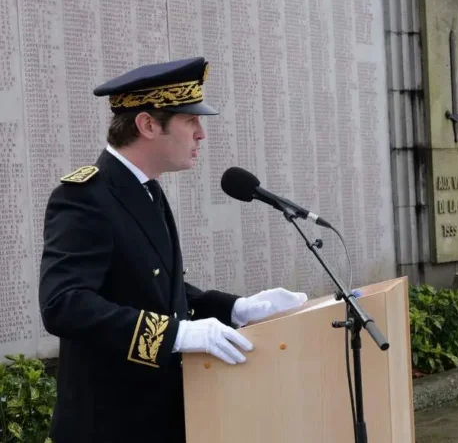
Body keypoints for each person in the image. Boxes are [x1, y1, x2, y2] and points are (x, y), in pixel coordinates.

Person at [38, 57, 308, 443]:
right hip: (109, 425)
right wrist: (175, 336)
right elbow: (64, 304)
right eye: (190, 120)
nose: (201, 134)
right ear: (148, 124)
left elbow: (154, 287)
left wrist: (234, 308)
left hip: (159, 418)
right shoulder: (84, 197)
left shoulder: (145, 189)